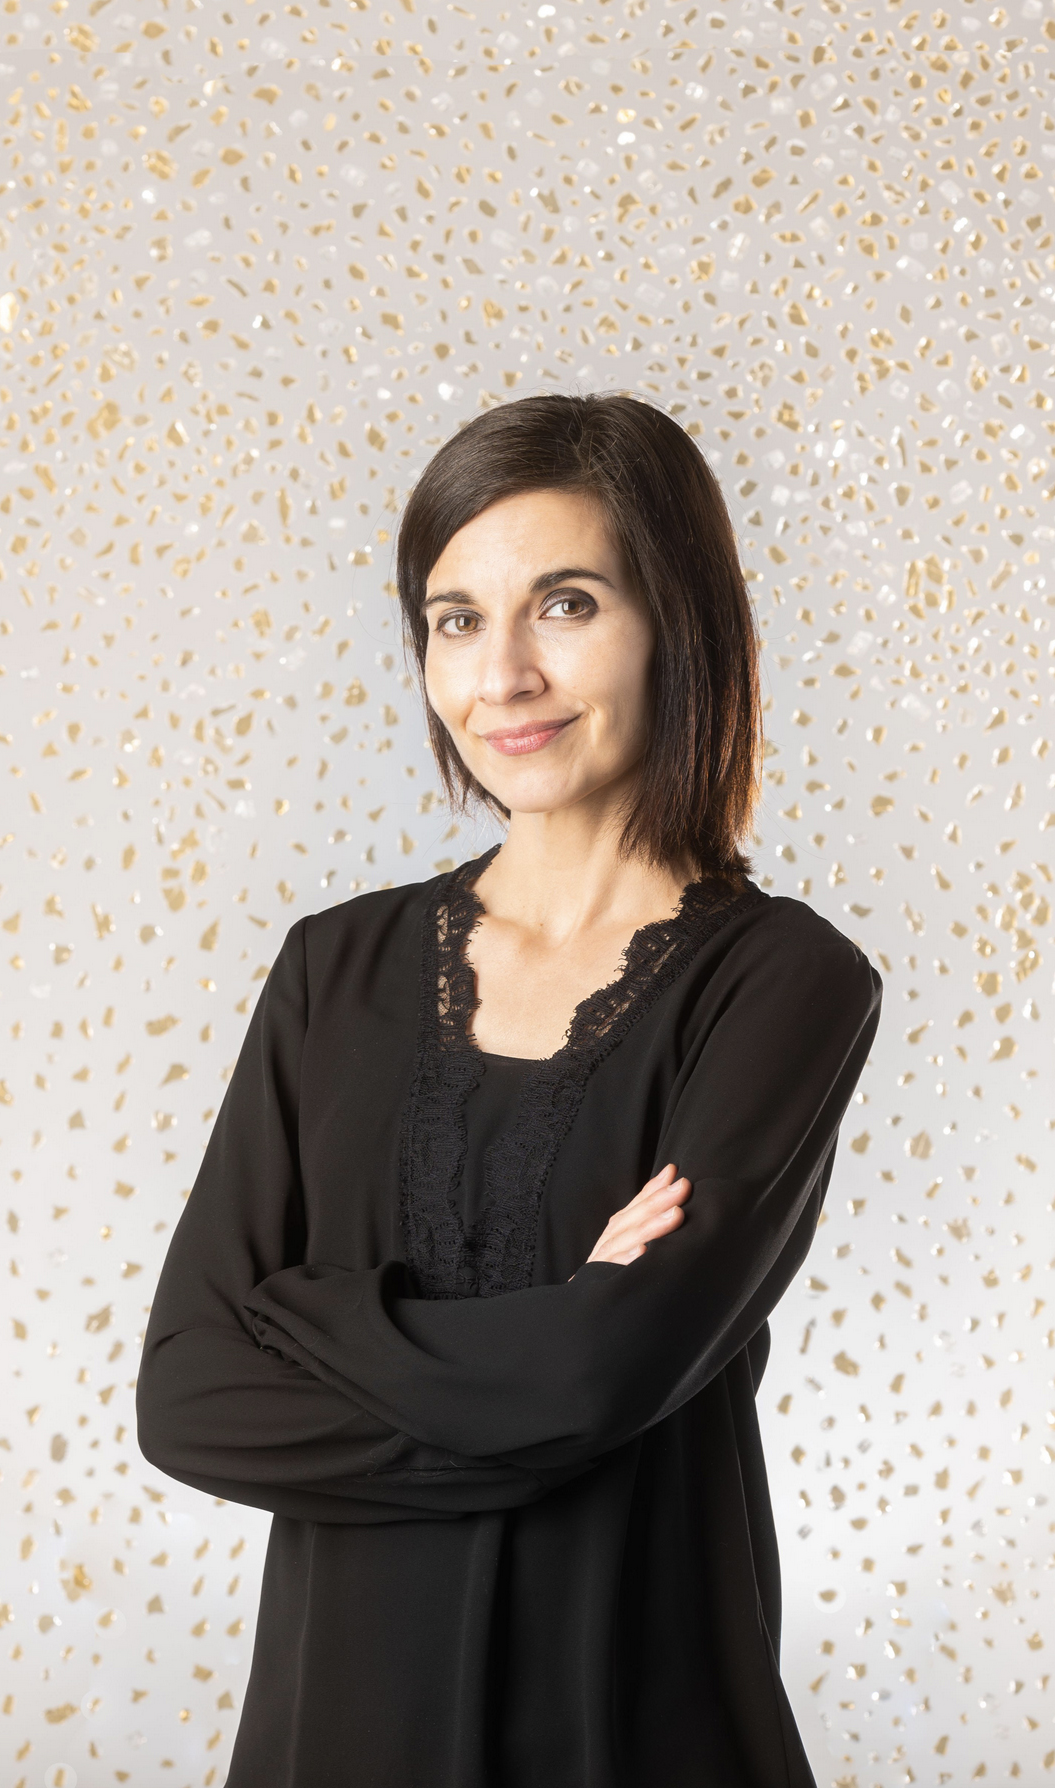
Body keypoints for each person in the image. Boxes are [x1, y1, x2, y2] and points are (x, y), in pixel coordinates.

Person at [135, 391, 883, 1788]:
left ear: (678, 622)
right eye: (456, 619)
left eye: (567, 605)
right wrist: (550, 1359)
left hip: (634, 1728)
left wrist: (314, 1316)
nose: (504, 676)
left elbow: (603, 1375)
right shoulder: (332, 969)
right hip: (336, 1736)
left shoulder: (786, 981)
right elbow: (186, 1397)